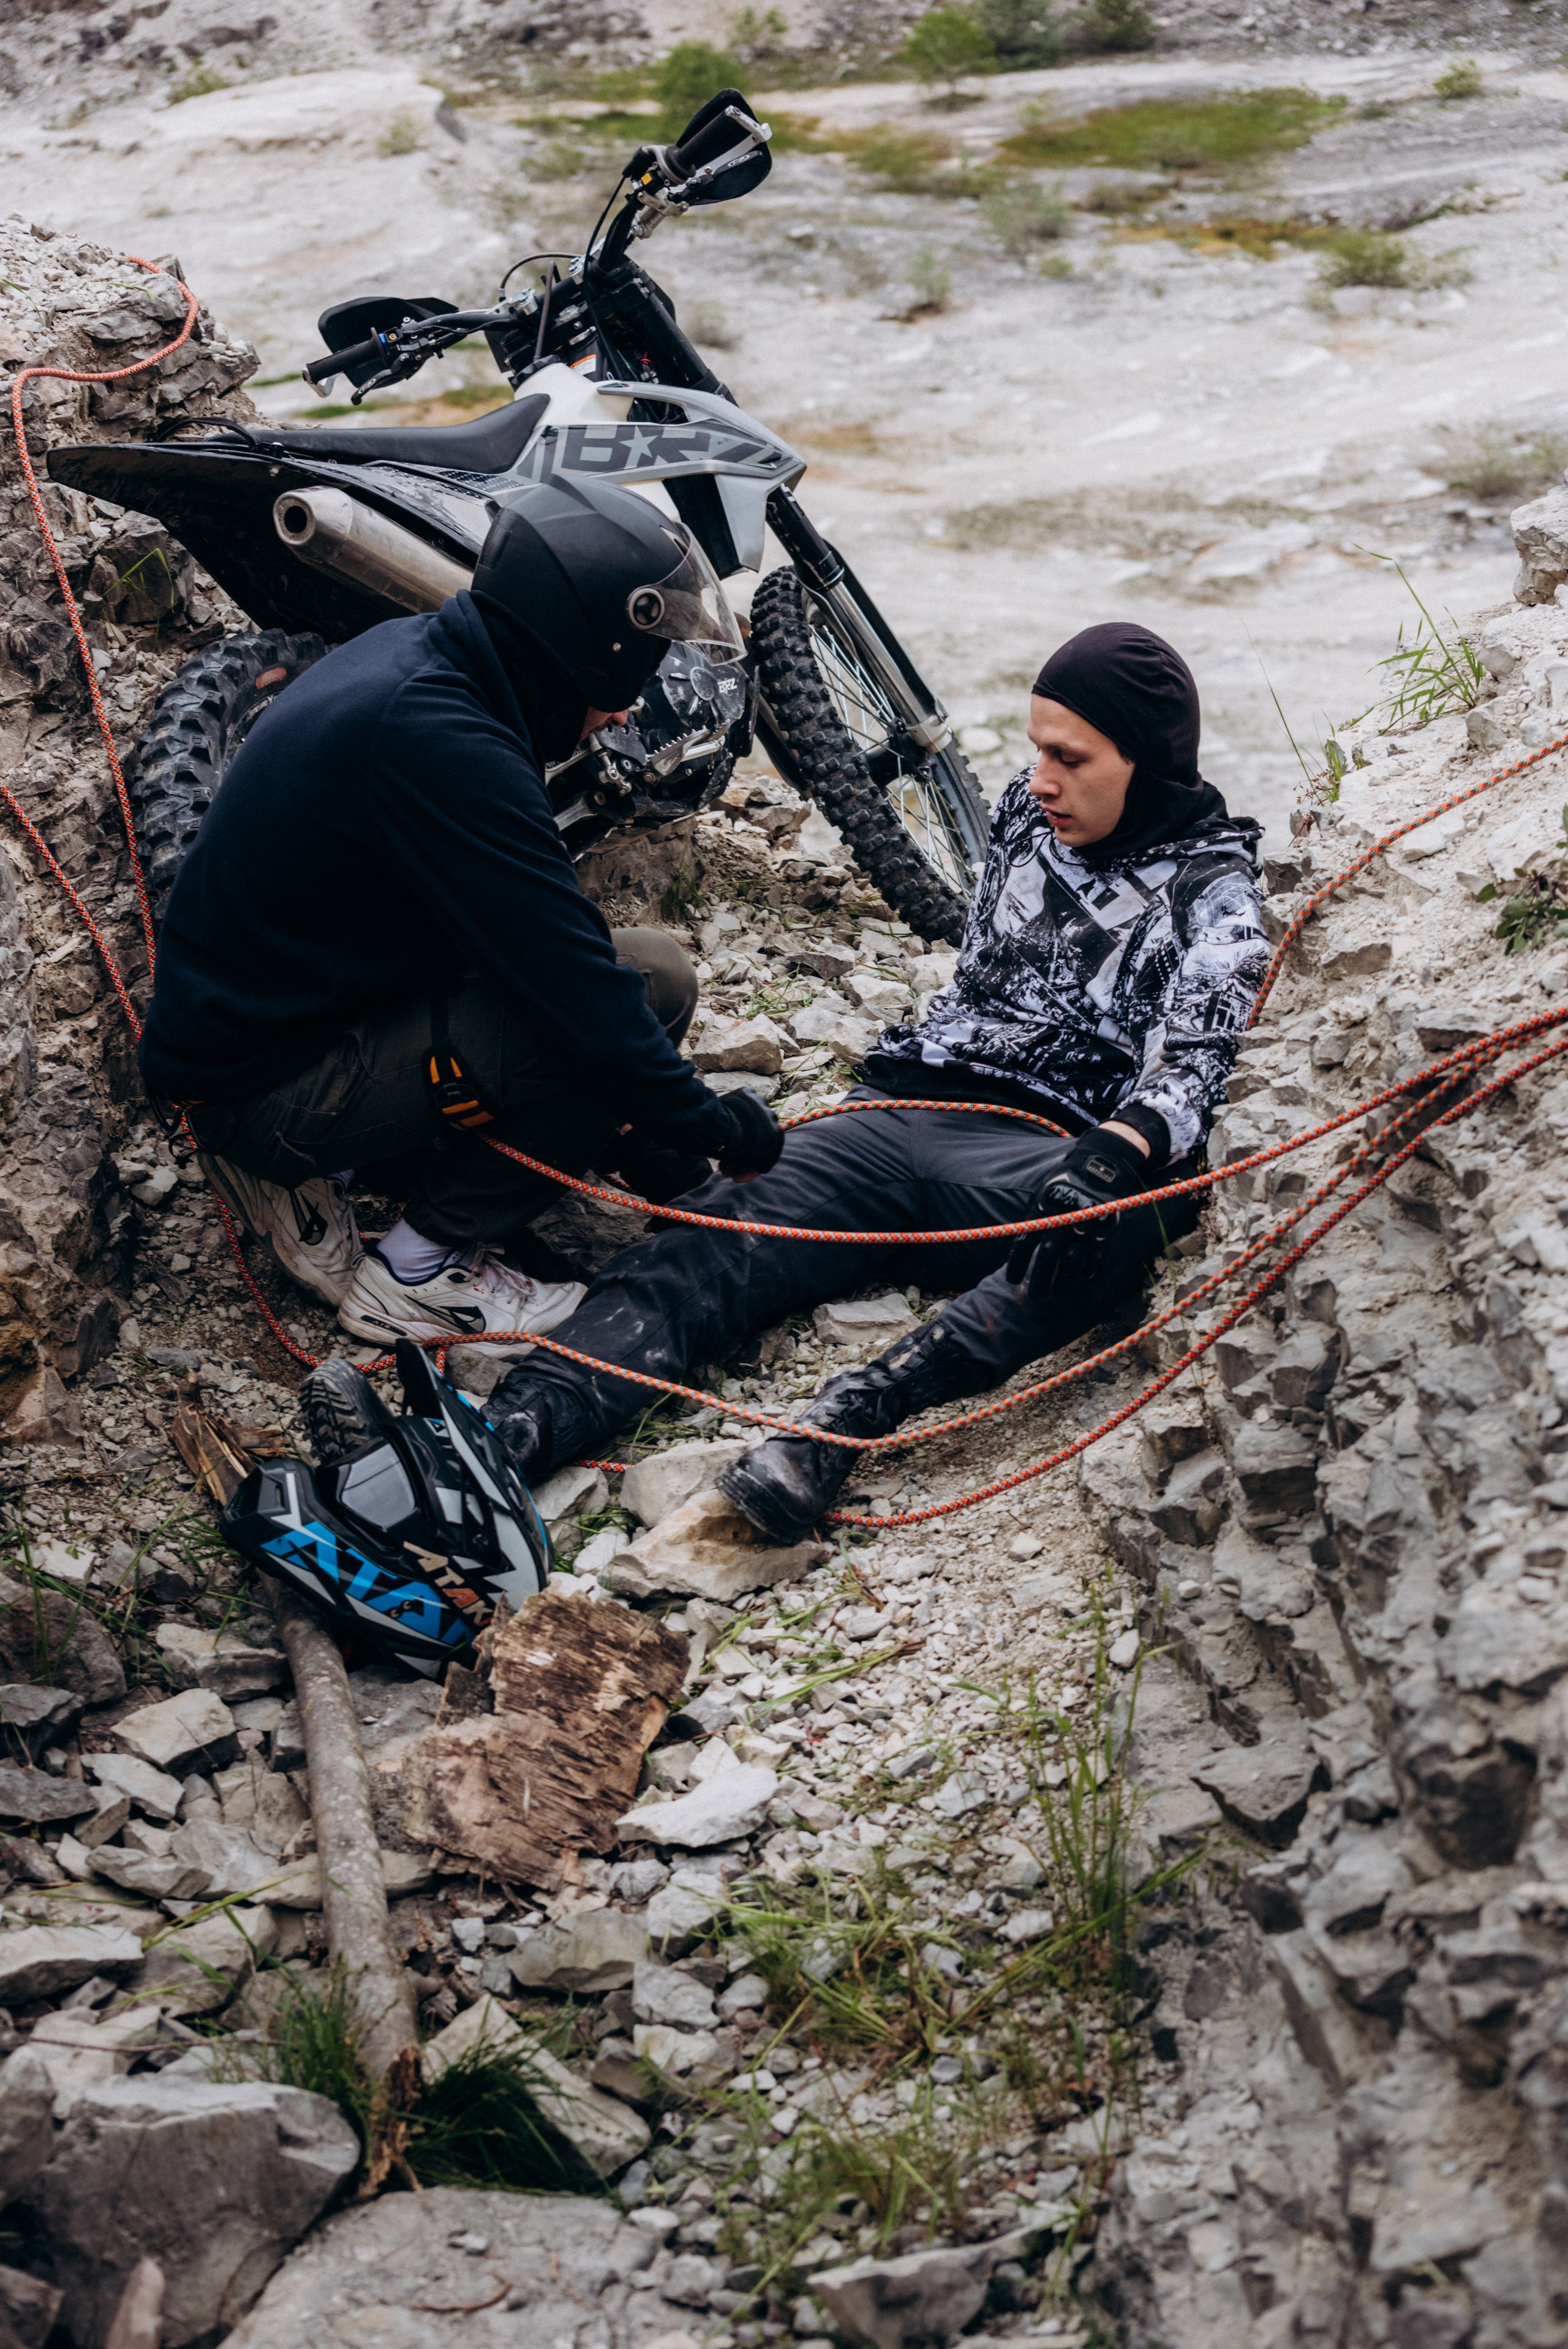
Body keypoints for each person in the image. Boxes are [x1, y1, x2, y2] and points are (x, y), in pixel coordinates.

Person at [312, 619, 1270, 1534]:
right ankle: (492, 1449)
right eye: (1037, 750)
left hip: (1032, 1155)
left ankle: (849, 1420)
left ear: (1149, 761)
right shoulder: (1026, 810)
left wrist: (1112, 1155)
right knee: (705, 1243)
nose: (1041, 778)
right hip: (898, 1113)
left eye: (1071, 758)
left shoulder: (1215, 890)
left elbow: (1193, 1063)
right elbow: (977, 980)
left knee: (1127, 1218)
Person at [138, 478, 785, 1351]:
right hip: (265, 1091)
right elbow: (577, 998)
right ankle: (416, 1272)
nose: (631, 705)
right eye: (635, 669)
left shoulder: (426, 658)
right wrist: (710, 1125)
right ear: (583, 646)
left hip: (268, 1028)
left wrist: (640, 1136)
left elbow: (515, 926)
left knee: (621, 981)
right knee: (643, 991)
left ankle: (359, 1173)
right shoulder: (445, 744)